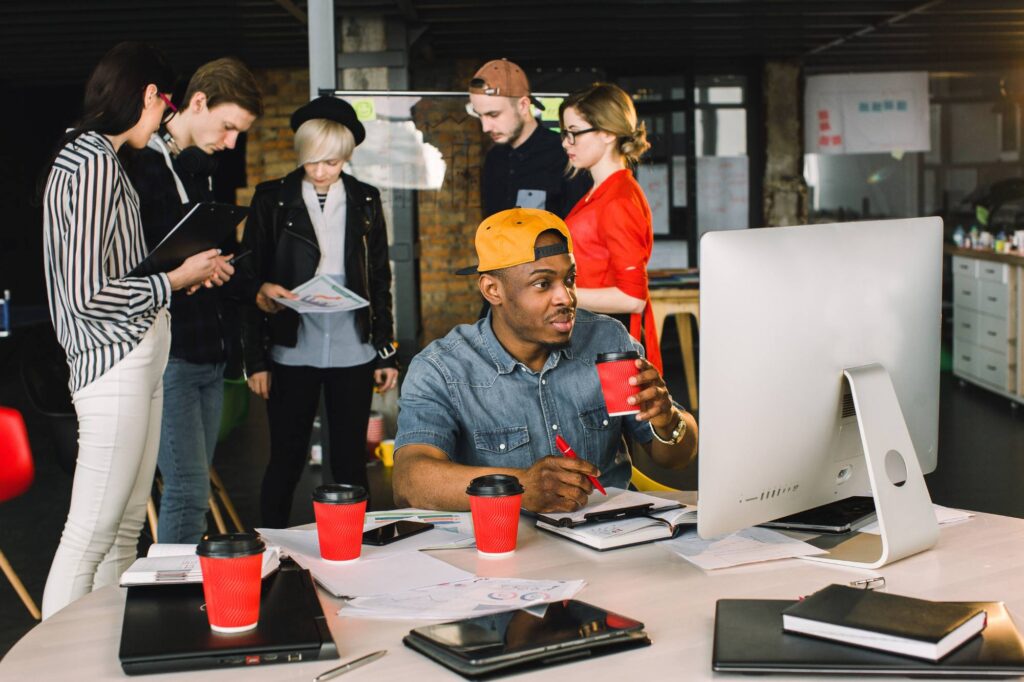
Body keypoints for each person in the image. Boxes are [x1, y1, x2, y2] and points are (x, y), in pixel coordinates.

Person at [40, 42, 233, 618]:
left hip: (136, 357)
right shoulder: (92, 160)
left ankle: (98, 656)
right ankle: (53, 669)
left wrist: (176, 275)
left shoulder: (99, 158)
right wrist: (173, 279)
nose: (165, 118)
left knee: (123, 530)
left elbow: (107, 275)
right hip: (113, 362)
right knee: (92, 534)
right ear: (150, 95)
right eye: (164, 103)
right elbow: (85, 296)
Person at [392, 208, 696, 513]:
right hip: (510, 544)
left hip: (617, 532)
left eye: (570, 279)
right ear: (492, 290)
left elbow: (677, 457)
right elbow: (409, 482)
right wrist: (519, 487)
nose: (566, 297)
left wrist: (667, 420)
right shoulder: (442, 369)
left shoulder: (607, 341)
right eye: (543, 284)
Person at [239, 96, 399, 528]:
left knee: (349, 461)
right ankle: (269, 546)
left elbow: (380, 279)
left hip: (354, 348)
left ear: (347, 157)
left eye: (331, 161)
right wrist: (255, 359)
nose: (321, 171)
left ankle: (353, 548)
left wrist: (385, 352)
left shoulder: (365, 200)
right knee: (286, 457)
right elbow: (249, 276)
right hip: (291, 347)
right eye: (312, 162)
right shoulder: (272, 199)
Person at [123, 57, 263, 544]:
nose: (230, 143)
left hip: (207, 343)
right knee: (186, 488)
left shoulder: (198, 166)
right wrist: (188, 272)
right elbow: (136, 261)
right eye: (228, 127)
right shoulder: (142, 162)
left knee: (194, 482)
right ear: (197, 102)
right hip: (169, 347)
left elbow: (189, 250)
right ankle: (176, 600)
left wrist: (214, 265)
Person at [559, 83, 662, 372]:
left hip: (612, 345)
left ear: (607, 133)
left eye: (574, 132)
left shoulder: (618, 199)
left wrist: (560, 295)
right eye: (565, 133)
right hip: (597, 336)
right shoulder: (602, 192)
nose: (566, 142)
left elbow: (633, 299)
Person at [468, 58, 590, 219]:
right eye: (480, 115)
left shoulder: (566, 155)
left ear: (523, 105)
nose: (485, 127)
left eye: (493, 114)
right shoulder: (493, 158)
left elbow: (579, 231)